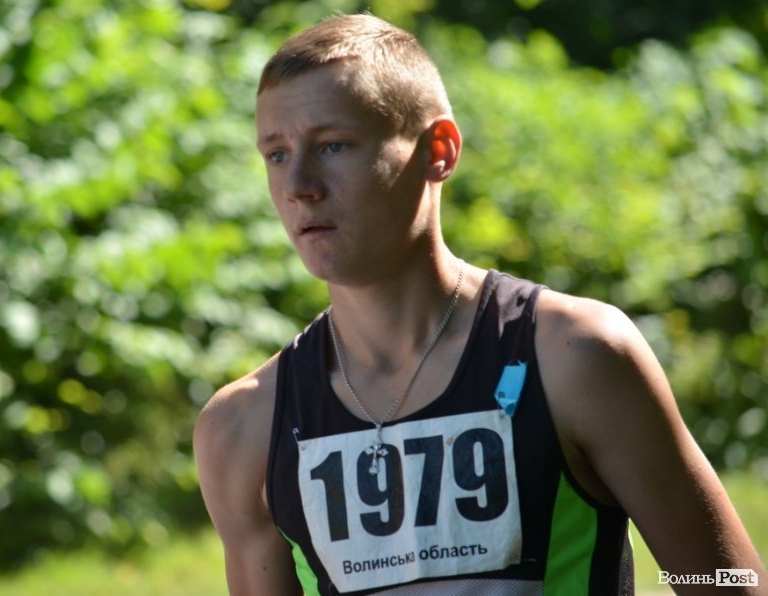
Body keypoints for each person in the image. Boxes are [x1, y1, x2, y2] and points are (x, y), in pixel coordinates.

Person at [193, 13, 765, 596]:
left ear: (438, 151)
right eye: (277, 155)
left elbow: (724, 582)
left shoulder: (576, 356)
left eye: (333, 145)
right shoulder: (243, 428)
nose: (299, 186)